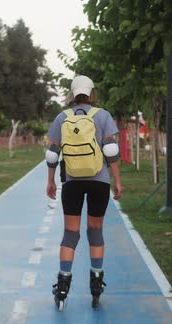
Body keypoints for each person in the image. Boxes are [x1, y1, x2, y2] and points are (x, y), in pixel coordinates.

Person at [45, 75, 123, 311]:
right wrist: (117, 181)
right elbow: (110, 150)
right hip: (99, 181)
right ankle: (96, 284)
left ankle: (62, 287)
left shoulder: (62, 117)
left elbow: (52, 152)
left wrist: (51, 181)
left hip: (71, 182)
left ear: (72, 94)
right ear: (91, 93)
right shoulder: (102, 115)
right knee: (95, 230)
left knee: (70, 234)